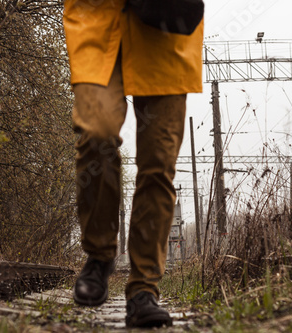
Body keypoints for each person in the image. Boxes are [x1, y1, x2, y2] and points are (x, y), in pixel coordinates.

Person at [63, 0, 204, 328]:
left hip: (167, 29)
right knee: (96, 134)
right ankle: (99, 254)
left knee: (158, 164)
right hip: (98, 22)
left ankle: (143, 289)